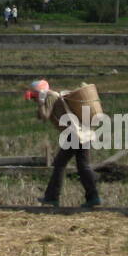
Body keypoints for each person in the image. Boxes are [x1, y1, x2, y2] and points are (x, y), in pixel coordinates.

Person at [25, 80, 101, 209]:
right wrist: (40, 104)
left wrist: (41, 102)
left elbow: (44, 116)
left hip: (74, 134)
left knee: (60, 164)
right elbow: (40, 115)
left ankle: (52, 197)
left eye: (34, 96)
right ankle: (93, 197)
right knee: (83, 166)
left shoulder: (50, 97)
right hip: (82, 133)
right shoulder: (53, 96)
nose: (33, 99)